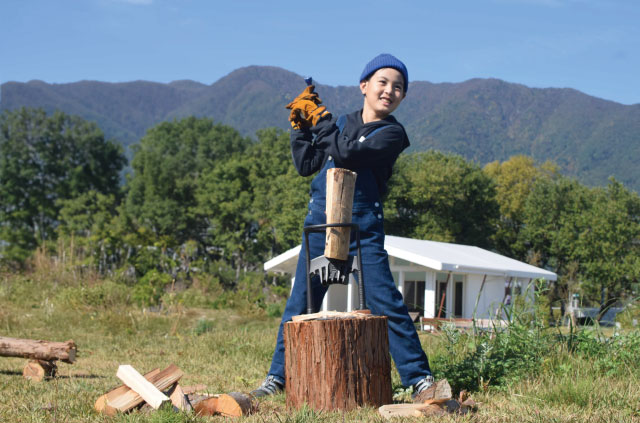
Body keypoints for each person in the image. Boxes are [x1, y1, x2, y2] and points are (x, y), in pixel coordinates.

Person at [252, 54, 433, 398]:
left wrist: (321, 120)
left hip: (362, 231)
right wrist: (301, 129)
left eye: (398, 87)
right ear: (364, 86)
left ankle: (419, 380)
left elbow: (347, 153)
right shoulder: (341, 125)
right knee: (302, 303)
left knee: (385, 301)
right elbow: (307, 164)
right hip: (321, 226)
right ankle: (278, 378)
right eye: (382, 82)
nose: (389, 90)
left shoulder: (392, 133)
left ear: (403, 97)